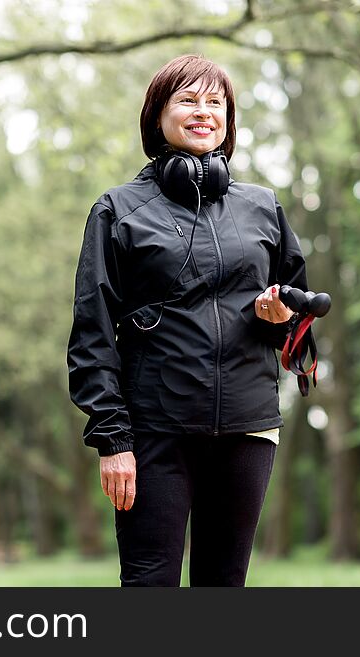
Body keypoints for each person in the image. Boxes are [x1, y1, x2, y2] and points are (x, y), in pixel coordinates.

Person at [66, 54, 310, 586]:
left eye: (215, 102)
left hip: (248, 428)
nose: (203, 112)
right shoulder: (118, 210)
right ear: (158, 116)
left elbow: (297, 328)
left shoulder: (262, 207)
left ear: (228, 120)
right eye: (188, 100)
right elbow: (92, 332)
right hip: (154, 430)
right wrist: (113, 440)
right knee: (150, 586)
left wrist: (281, 318)